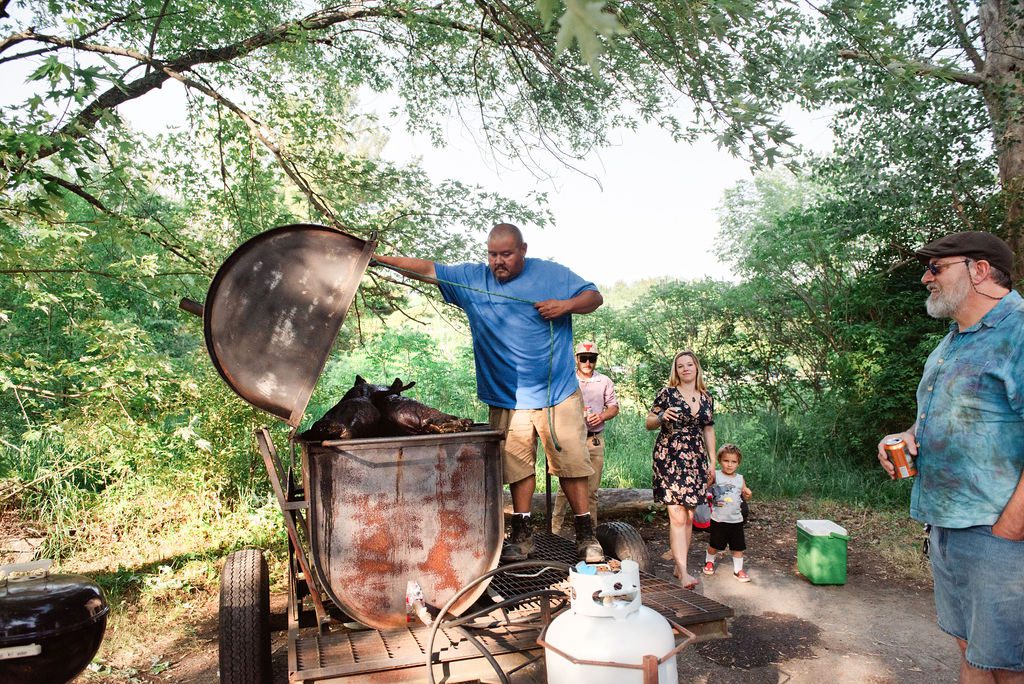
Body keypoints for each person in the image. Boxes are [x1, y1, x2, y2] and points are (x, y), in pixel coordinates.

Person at [373, 223, 606, 562]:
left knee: (571, 464)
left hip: (558, 393)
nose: (499, 261)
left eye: (507, 254)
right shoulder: (471, 280)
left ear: (522, 250)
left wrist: (566, 305)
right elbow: (427, 269)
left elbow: (594, 297)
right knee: (516, 466)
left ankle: (586, 536)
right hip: (506, 396)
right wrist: (378, 259)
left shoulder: (552, 274)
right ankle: (522, 536)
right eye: (493, 254)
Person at [876, 231, 1024, 683]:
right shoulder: (952, 342)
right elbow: (943, 418)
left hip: (997, 533)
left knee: (1007, 665)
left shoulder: (1018, 331)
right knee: (970, 650)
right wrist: (902, 436)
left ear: (979, 271)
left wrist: (1011, 527)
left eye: (936, 268)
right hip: (947, 526)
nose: (926, 278)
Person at [645, 350, 717, 590]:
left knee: (688, 515)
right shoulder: (667, 394)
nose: (685, 369)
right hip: (670, 456)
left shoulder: (706, 397)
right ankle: (684, 572)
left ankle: (679, 563)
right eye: (680, 366)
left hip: (696, 458)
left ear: (696, 368)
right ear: (675, 371)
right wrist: (662, 416)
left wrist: (712, 461)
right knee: (676, 515)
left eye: (689, 364)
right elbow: (648, 422)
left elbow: (708, 429)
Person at [551, 340, 620, 536]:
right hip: (571, 440)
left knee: (591, 490)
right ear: (576, 359)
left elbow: (614, 407)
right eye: (584, 358)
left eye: (592, 359)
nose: (587, 363)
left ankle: (590, 533)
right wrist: (577, 412)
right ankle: (554, 530)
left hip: (594, 439)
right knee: (565, 488)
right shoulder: (568, 379)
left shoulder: (604, 381)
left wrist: (602, 415)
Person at [704, 444, 752, 582]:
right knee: (715, 544)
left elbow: (745, 493)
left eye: (733, 462)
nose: (729, 464)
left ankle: (738, 570)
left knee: (738, 547)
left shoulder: (739, 478)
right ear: (720, 461)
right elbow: (705, 487)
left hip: (736, 520)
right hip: (718, 519)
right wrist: (708, 481)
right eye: (726, 461)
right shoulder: (716, 475)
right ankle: (709, 561)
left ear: (738, 463)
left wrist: (748, 493)